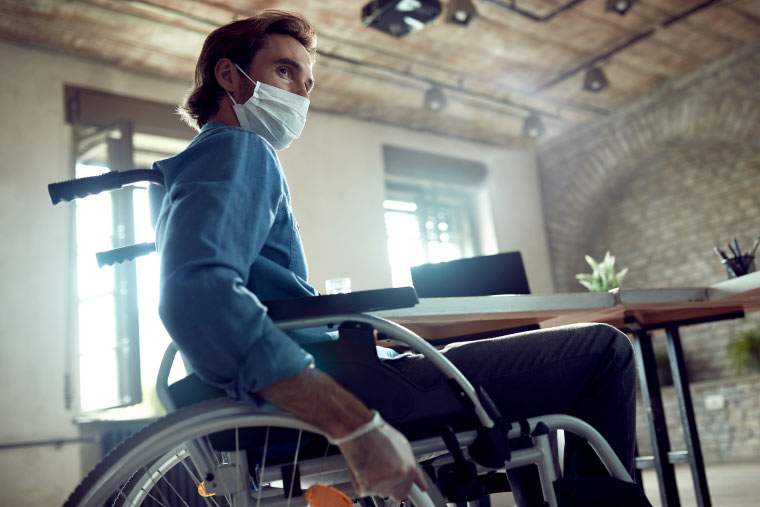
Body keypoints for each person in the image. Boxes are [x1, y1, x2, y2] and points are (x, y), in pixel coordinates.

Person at [155, 10, 636, 506]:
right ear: (230, 76)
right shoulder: (241, 151)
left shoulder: (201, 163)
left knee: (521, 410)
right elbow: (197, 297)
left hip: (326, 377)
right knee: (603, 351)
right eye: (284, 71)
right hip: (350, 388)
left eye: (308, 81)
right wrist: (354, 423)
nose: (301, 91)